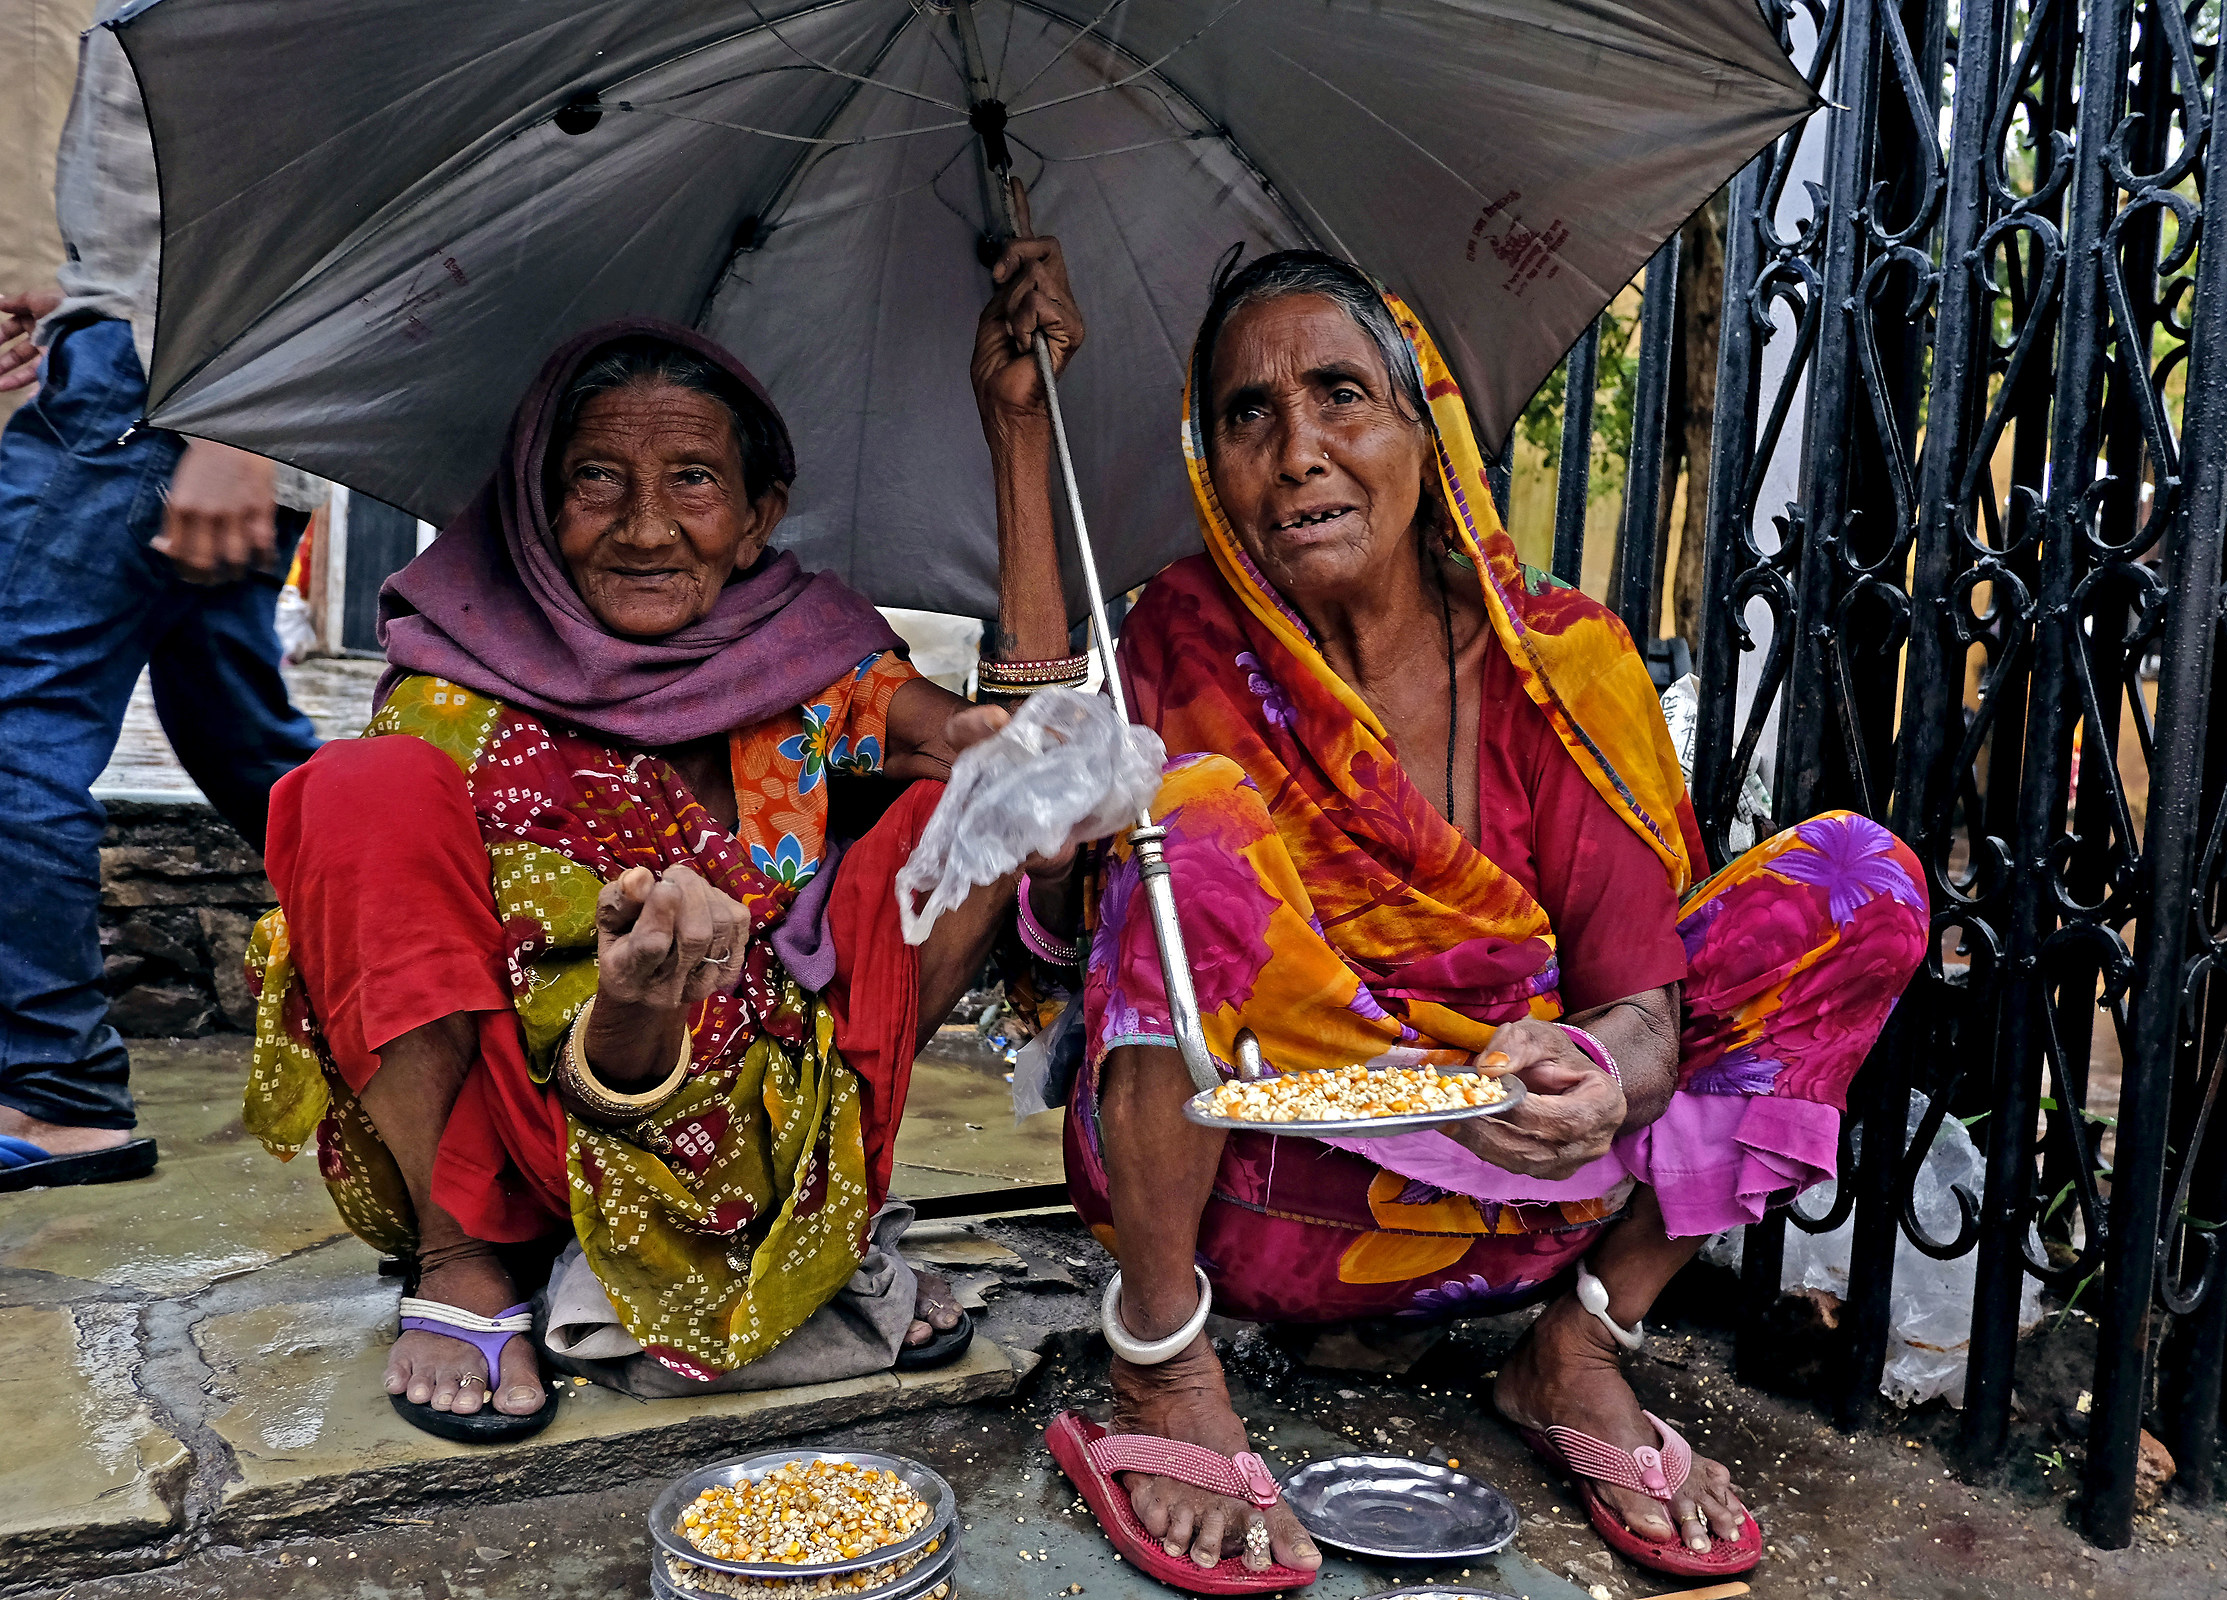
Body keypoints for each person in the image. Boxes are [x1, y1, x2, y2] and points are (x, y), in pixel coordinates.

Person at [1030, 252, 1928, 1588]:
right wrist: (1014, 440)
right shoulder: (1174, 631)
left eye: (1340, 393)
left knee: (1860, 883)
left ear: (1425, 429)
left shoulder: (1559, 661)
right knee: (1188, 813)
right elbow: (1057, 915)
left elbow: (1644, 1001)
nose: (1295, 452)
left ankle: (1577, 1348)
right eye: (1245, 414)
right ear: (1207, 456)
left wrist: (1597, 1080)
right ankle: (1161, 1366)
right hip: (1262, 1198)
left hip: (1526, 1183)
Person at [240, 241, 1088, 1441]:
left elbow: (1008, 752)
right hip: (525, 1139)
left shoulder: (806, 660)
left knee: (982, 809)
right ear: (540, 506)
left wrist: (1017, 437)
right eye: (597, 478)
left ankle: (802, 1228)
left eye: (694, 480)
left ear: (756, 521)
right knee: (352, 791)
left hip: (766, 1128)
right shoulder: (456, 684)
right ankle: (462, 1255)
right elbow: (398, 950)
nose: (646, 527)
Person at [0, 8, 323, 1195]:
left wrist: (229, 426)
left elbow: (298, 178)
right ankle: (455, 986)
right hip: (156, 382)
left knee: (9, 723)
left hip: (161, 399)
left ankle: (54, 1096)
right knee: (249, 748)